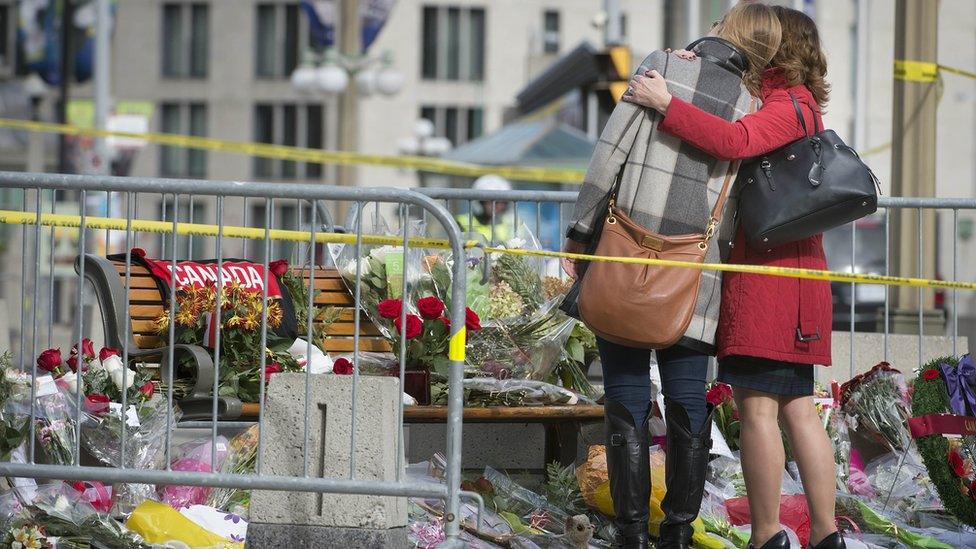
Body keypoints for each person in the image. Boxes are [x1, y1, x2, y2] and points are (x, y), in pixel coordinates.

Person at [561, 4, 781, 548]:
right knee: (687, 398)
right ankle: (678, 534)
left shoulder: (663, 67)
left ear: (722, 31)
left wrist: (579, 230)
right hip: (698, 270)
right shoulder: (754, 105)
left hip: (625, 255)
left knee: (626, 395)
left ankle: (632, 533)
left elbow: (608, 155)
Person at [624, 6, 843, 549]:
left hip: (771, 281)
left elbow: (735, 142)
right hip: (795, 280)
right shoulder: (801, 105)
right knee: (797, 408)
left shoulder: (787, 105)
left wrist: (667, 103)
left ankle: (769, 534)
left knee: (760, 410)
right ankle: (824, 534)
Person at [458, 174, 514, 243]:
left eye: (504, 202)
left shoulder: (513, 223)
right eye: (495, 202)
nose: (500, 206)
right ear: (480, 202)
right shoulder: (462, 222)